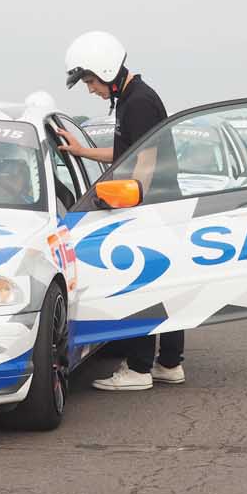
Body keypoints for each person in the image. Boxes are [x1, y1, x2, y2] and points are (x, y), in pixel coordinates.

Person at [57, 30, 184, 392]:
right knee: (165, 287)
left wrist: (123, 204)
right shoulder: (131, 99)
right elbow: (126, 153)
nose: (90, 89)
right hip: (158, 204)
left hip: (148, 207)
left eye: (90, 82)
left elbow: (145, 164)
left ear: (107, 71)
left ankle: (139, 370)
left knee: (142, 288)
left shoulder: (139, 103)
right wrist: (83, 152)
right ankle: (169, 364)